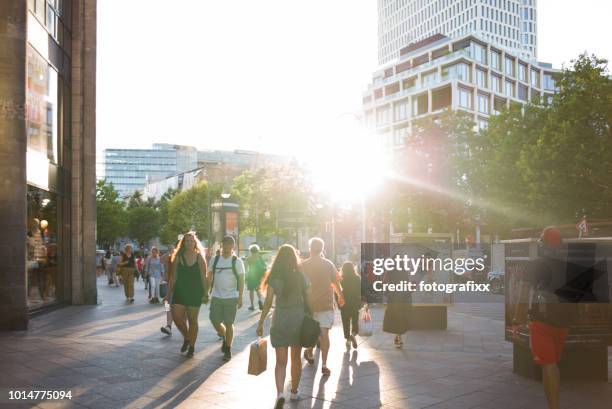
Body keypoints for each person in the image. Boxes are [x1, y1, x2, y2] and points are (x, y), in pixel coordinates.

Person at [513, 227, 570, 409]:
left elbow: (523, 294)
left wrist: (517, 319)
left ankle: (554, 407)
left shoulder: (535, 265)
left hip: (541, 320)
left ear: (542, 245)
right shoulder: (568, 265)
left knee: (548, 365)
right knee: (554, 364)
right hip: (564, 321)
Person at [257, 244, 310, 408]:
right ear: (294, 257)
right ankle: (294, 391)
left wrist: (260, 322)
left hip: (280, 318)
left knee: (281, 361)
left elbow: (267, 302)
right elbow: (308, 298)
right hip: (298, 318)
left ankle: (280, 393)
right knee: (296, 359)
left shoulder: (274, 276)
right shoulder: (300, 275)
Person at [301, 237, 344, 376]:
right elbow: (336, 283)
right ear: (322, 249)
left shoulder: (303, 265)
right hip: (325, 304)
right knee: (324, 334)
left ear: (310, 248)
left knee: (310, 331)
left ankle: (308, 352)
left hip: (308, 305)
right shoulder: (328, 264)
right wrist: (341, 297)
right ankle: (324, 364)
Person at [167, 232, 208, 357]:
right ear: (183, 243)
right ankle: (187, 337)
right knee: (176, 317)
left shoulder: (199, 257)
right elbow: (173, 277)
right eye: (187, 241)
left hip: (195, 291)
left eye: (191, 241)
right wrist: (168, 294)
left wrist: (206, 293)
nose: (189, 243)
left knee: (192, 320)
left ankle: (191, 347)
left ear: (195, 242)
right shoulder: (178, 256)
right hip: (180, 290)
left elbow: (203, 277)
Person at [208, 235, 245, 361]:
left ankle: (228, 349)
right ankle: (224, 336)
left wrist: (240, 297)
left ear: (233, 246)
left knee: (229, 323)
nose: (227, 246)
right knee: (214, 320)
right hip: (216, 296)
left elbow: (241, 280)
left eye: (230, 243)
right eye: (225, 243)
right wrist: (206, 292)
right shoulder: (215, 259)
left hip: (231, 297)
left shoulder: (237, 261)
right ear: (222, 245)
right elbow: (209, 276)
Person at [382, 256, 412, 348]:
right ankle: (398, 337)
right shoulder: (404, 271)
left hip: (393, 297)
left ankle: (399, 338)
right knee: (400, 317)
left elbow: (383, 283)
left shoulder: (389, 271)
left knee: (394, 317)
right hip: (402, 298)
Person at [339, 262, 362, 350]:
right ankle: (353, 335)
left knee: (346, 324)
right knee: (355, 323)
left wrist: (339, 303)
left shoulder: (341, 279)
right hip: (355, 304)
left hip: (344, 305)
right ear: (353, 269)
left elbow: (337, 292)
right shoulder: (357, 278)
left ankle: (348, 341)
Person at [246, 244, 267, 311]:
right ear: (257, 251)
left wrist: (246, 278)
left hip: (251, 276)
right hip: (259, 276)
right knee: (258, 289)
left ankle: (252, 305)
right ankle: (260, 301)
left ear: (251, 251)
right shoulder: (259, 258)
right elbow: (264, 266)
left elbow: (246, 269)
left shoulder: (248, 259)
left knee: (251, 291)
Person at [160, 244, 175, 335]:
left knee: (180, 307)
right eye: (169, 249)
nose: (170, 250)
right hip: (168, 283)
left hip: (177, 285)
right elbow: (161, 260)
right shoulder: (167, 258)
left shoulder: (177, 258)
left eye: (171, 249)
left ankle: (185, 326)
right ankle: (168, 326)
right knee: (167, 304)